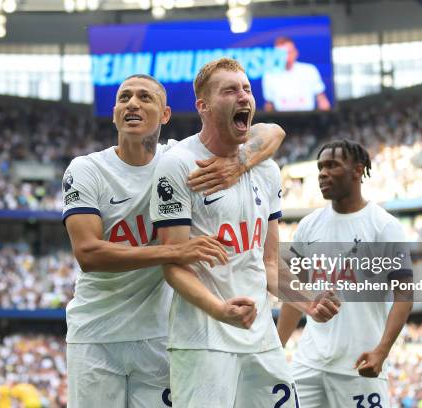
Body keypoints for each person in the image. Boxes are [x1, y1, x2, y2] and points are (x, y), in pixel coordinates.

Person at [62, 73, 287, 408]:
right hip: (96, 334)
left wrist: (238, 164)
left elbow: (272, 131)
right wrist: (174, 249)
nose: (133, 103)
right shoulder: (86, 170)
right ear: (114, 114)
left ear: (165, 115)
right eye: (124, 98)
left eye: (144, 97)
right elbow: (88, 253)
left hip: (159, 334)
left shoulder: (179, 161)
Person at [150, 57, 338, 407]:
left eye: (247, 89)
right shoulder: (177, 165)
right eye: (231, 90)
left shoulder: (265, 169)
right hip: (203, 338)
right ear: (203, 106)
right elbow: (173, 263)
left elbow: (268, 262)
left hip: (260, 335)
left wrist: (308, 300)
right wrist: (220, 309)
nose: (244, 96)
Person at [276, 139, 414, 408]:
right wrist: (277, 348)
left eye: (332, 166)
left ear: (357, 171)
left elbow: (405, 296)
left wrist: (381, 351)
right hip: (308, 364)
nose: (322, 173)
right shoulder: (308, 226)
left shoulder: (384, 226)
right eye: (320, 167)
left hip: (359, 366)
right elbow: (294, 294)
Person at [262, 36, 331, 112]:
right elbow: (269, 105)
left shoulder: (309, 70)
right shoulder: (269, 75)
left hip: (309, 119)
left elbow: (322, 99)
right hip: (281, 121)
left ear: (295, 53)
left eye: (288, 52)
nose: (285, 57)